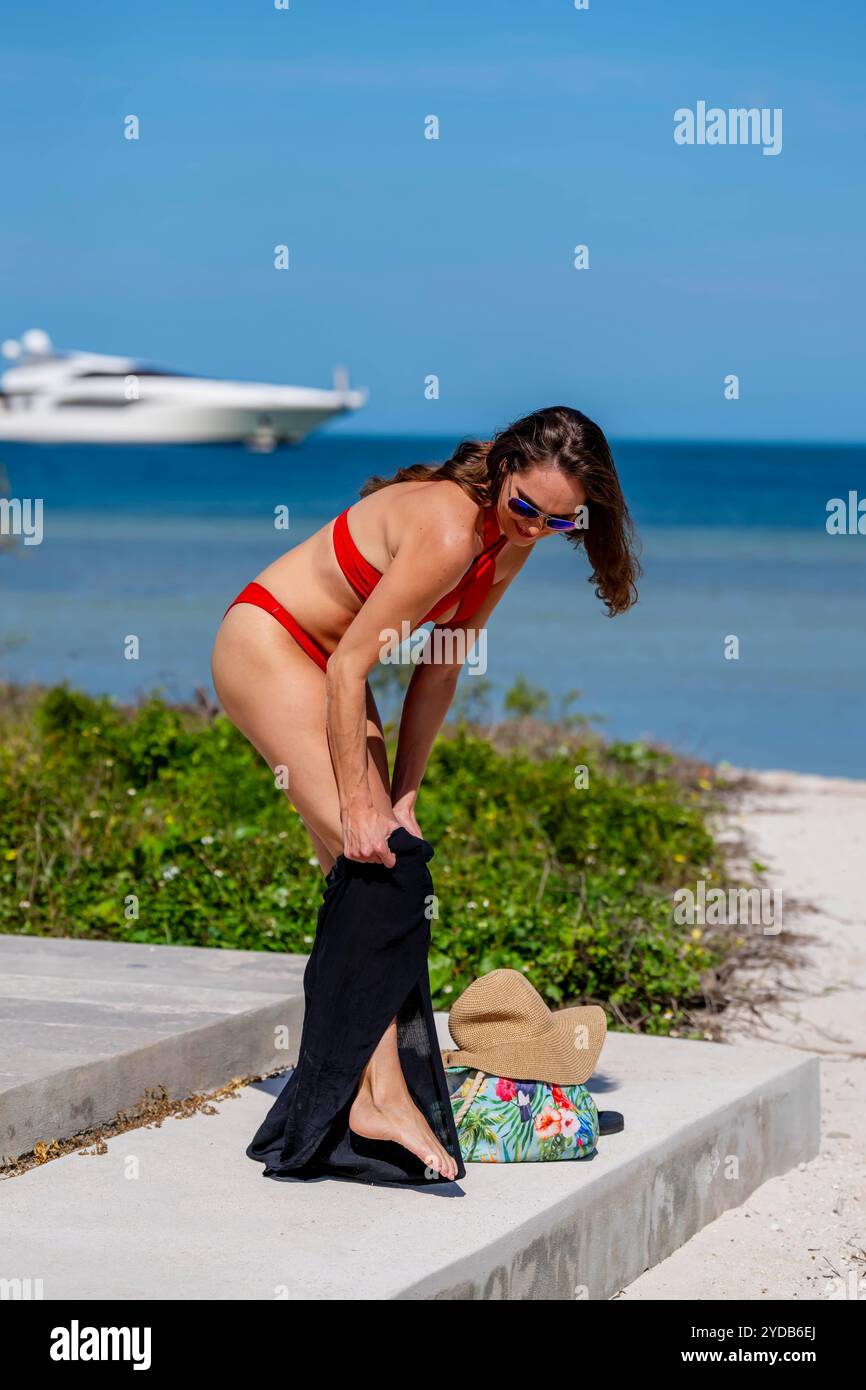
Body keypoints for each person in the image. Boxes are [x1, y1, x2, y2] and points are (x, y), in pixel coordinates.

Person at [211, 405, 640, 1183]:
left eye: (561, 522)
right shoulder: (449, 530)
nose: (537, 528)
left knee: (379, 864)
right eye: (525, 508)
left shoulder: (511, 542)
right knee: (376, 864)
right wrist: (358, 804)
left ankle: (370, 1095)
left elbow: (439, 668)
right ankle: (375, 1098)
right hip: (274, 644)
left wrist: (402, 796)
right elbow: (348, 667)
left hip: (330, 667)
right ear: (502, 471)